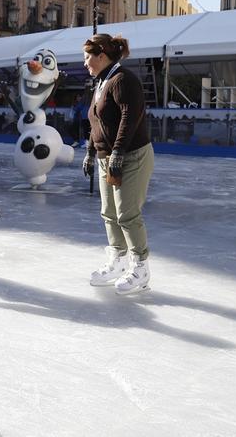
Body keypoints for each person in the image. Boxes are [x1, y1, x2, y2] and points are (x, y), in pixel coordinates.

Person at [82, 33, 154, 296]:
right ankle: (118, 262)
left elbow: (129, 118)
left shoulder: (123, 79)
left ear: (102, 56)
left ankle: (141, 267)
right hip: (106, 158)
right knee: (108, 213)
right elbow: (96, 121)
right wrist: (91, 151)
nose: (85, 63)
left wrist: (119, 153)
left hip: (131, 157)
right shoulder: (102, 82)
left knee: (127, 214)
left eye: (88, 57)